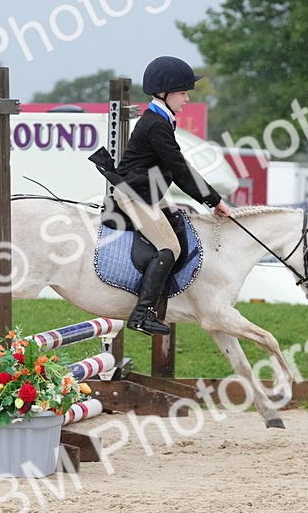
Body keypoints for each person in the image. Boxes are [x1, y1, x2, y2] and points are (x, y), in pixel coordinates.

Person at [89, 56, 233, 336]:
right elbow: (179, 168)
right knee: (170, 248)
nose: (187, 98)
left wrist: (210, 199)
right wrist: (215, 201)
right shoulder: (156, 124)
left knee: (178, 222)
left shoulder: (161, 119)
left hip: (148, 192)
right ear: (164, 93)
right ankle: (142, 313)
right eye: (182, 93)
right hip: (135, 195)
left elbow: (176, 168)